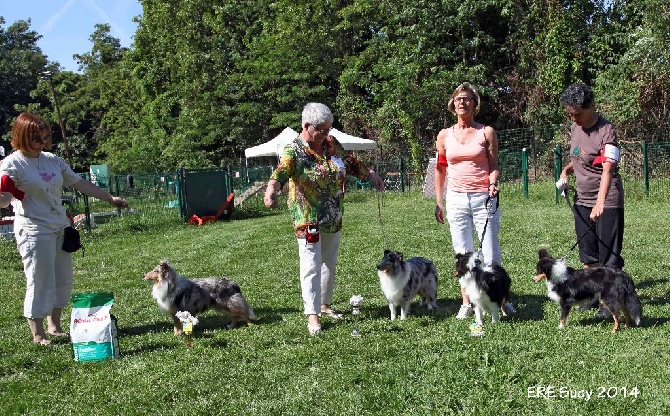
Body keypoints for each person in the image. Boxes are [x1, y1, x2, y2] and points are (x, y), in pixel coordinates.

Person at [0, 112, 129, 345]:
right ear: (23, 136)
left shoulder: (51, 159)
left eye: (45, 137)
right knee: (40, 280)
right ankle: (38, 334)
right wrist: (4, 192)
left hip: (60, 227)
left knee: (63, 279)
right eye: (37, 138)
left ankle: (55, 325)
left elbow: (80, 183)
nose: (43, 142)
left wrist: (109, 198)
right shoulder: (12, 163)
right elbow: (4, 200)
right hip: (34, 230)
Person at [263, 103, 384, 336]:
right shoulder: (294, 150)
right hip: (307, 216)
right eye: (323, 129)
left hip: (333, 214)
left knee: (329, 261)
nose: (327, 134)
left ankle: (325, 305)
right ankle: (313, 315)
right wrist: (271, 190)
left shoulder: (331, 144)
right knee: (311, 265)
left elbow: (350, 162)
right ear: (307, 126)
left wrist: (371, 175)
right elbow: (281, 172)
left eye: (330, 128)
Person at [433, 82, 503, 320]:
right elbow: (440, 169)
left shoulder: (486, 132)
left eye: (467, 99)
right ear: (453, 105)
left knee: (490, 251)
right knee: (462, 253)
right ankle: (467, 302)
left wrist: (492, 184)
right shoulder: (444, 135)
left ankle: (497, 300)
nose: (462, 102)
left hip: (483, 197)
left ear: (475, 104)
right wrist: (439, 201)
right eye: (458, 99)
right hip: (456, 198)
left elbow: (493, 167)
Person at [557, 83, 624, 270]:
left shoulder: (606, 130)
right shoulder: (575, 128)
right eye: (570, 114)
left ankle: (614, 297)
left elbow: (608, 168)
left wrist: (600, 203)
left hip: (607, 200)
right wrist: (566, 171)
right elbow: (581, 156)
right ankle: (592, 298)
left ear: (591, 105)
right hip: (582, 200)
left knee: (608, 260)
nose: (573, 118)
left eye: (577, 114)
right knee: (588, 256)